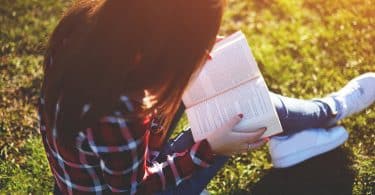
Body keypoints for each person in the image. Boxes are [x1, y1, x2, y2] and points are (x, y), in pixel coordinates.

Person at [38, 0, 375, 194]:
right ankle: (328, 111)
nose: (205, 51)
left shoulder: (86, 29)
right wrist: (210, 150)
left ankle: (296, 128)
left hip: (96, 169)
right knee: (239, 110)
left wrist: (183, 58)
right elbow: (135, 191)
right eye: (197, 42)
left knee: (226, 88)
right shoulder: (118, 111)